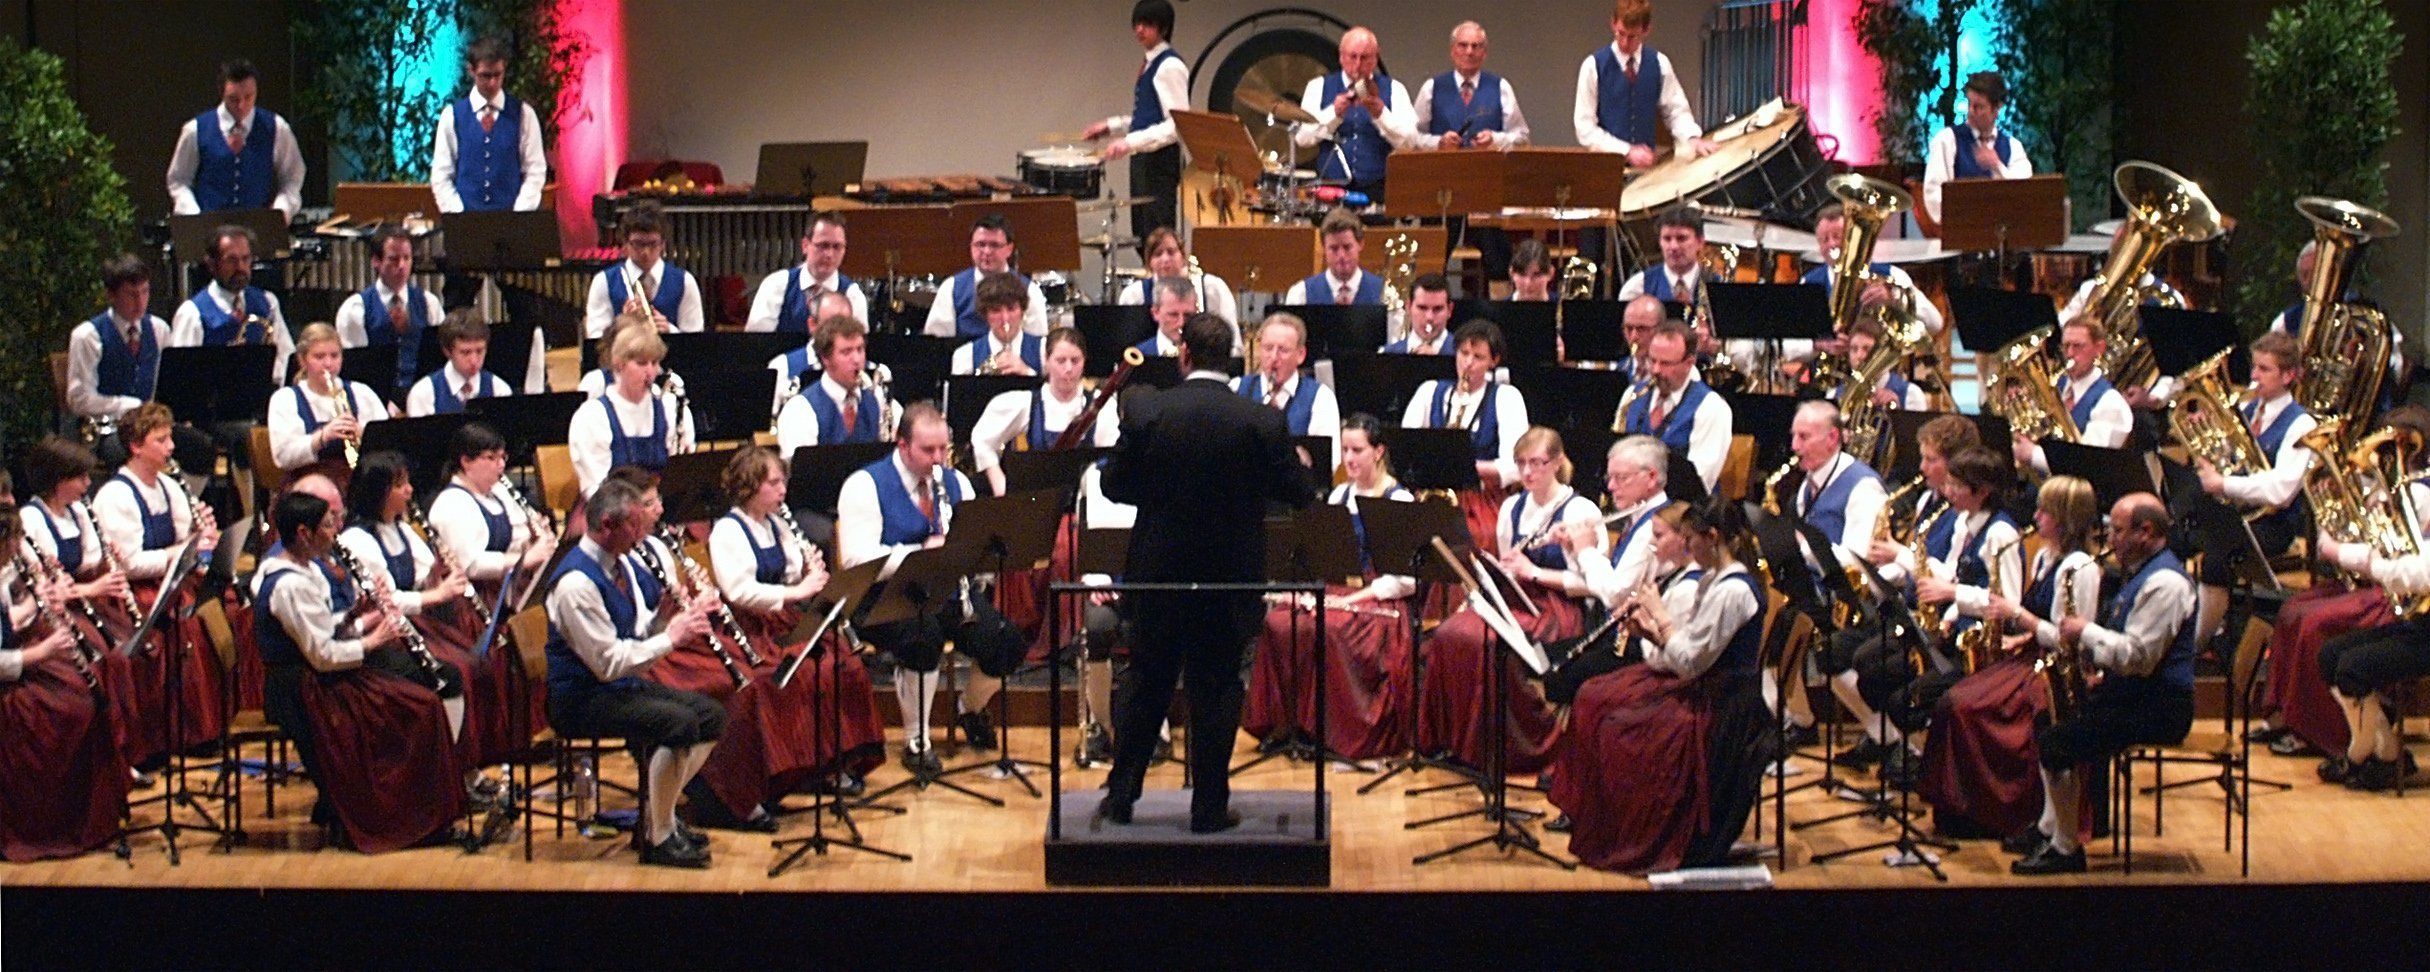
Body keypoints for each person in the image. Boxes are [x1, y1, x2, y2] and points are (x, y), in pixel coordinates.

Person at [1099, 312, 1314, 832]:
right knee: (1217, 688)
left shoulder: (1149, 410)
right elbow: (1300, 493)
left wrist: (1160, 491)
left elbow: (1113, 486)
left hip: (1158, 577)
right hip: (1229, 580)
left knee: (1147, 682)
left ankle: (1122, 796)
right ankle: (1209, 808)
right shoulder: (1261, 421)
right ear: (1233, 358)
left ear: (1184, 354)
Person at [1548, 496, 1774, 872]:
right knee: (1599, 698)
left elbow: (1689, 663)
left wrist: (1658, 619)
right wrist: (1649, 632)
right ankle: (1603, 820)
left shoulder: (1732, 591)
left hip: (1723, 709)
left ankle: (1629, 832)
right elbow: (1688, 654)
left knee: (1620, 725)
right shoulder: (1716, 580)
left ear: (1712, 537)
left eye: (1691, 538)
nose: (1687, 547)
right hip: (1704, 687)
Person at [255, 487, 469, 852]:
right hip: (304, 690)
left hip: (322, 678)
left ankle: (432, 804)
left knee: (422, 698)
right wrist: (373, 640)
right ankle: (409, 816)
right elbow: (323, 655)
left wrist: (361, 617)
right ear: (304, 533)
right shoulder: (289, 584)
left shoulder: (306, 569)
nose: (335, 532)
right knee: (419, 709)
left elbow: (326, 629)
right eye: (327, 526)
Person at [543, 475, 726, 868]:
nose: (641, 536)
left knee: (711, 715)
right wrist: (672, 638)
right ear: (606, 525)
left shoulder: (617, 564)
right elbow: (608, 664)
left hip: (614, 687)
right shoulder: (576, 584)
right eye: (634, 526)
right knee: (678, 725)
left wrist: (664, 619)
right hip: (579, 699)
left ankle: (656, 818)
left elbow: (632, 636)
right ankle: (659, 836)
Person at [2010, 493, 2196, 875]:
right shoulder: (2140, 574)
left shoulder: (2166, 583)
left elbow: (2138, 657)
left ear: (2146, 532)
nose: (2109, 539)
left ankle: (2066, 849)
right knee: (2048, 722)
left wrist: (2085, 632)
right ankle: (2050, 827)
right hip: (2134, 695)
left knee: (2059, 743)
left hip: (2161, 707)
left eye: (2118, 531)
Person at [834, 403, 1027, 772]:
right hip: (884, 597)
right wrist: (919, 554)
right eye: (928, 450)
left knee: (1006, 642)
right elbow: (857, 558)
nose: (939, 459)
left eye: (943, 449)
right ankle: (917, 740)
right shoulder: (864, 485)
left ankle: (969, 709)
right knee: (923, 637)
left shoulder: (957, 483)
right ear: (902, 445)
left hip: (946, 591)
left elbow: (975, 538)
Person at [1919, 474, 2101, 839]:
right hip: (2030, 656)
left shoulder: (2080, 568)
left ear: (2065, 519)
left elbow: (2070, 641)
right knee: (1955, 700)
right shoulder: (2047, 557)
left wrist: (2017, 616)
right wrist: (2019, 638)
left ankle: (2000, 813)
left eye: (2045, 512)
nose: (2035, 517)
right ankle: (1963, 810)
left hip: (2056, 673)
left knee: (1968, 707)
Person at [1414, 426, 1600, 774]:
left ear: (1556, 462)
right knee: (1450, 633)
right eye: (1521, 463)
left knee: (1486, 641)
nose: (1527, 472)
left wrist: (1534, 572)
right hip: (1515, 600)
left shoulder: (1580, 510)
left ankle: (1504, 749)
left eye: (1536, 463)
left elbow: (1592, 585)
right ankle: (1459, 743)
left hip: (1556, 608)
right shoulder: (1513, 506)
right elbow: (1505, 565)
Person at [2253, 405, 2430, 758]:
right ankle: (2294, 720)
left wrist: (2347, 553)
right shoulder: (2389, 487)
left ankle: (2330, 738)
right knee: (2294, 611)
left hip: (2396, 595)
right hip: (2385, 585)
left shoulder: (2421, 494)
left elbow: (2399, 563)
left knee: (2316, 624)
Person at [706, 446, 884, 796]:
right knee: (795, 676)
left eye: (782, 482)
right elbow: (739, 591)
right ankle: (799, 768)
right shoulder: (727, 530)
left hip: (783, 619)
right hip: (748, 626)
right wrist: (799, 589)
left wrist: (807, 571)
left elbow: (791, 574)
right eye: (773, 483)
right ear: (750, 486)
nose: (782, 490)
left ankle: (834, 760)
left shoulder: (776, 523)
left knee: (843, 664)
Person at [338, 454, 519, 787]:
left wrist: (438, 572)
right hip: (387, 631)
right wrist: (437, 595)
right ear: (379, 491)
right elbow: (386, 600)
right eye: (400, 484)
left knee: (476, 663)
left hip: (416, 625)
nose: (409, 490)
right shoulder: (357, 539)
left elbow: (423, 578)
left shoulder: (400, 528)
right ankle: (453, 773)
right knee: (458, 671)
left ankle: (470, 766)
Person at [1245, 414, 1415, 761]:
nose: (1348, 458)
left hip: (1378, 601)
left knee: (1329, 629)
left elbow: (1405, 581)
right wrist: (1310, 591)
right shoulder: (1340, 495)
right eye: (1345, 450)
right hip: (1338, 594)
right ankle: (1290, 724)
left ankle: (1330, 733)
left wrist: (1353, 598)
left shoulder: (1399, 501)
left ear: (1378, 452)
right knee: (1279, 622)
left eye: (1357, 450)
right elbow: (1321, 558)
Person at [1, 464, 133, 861]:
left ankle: (94, 810)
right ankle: (56, 822)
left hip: (19, 657)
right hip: (13, 670)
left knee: (90, 688)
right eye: (12, 545)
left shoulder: (6, 567)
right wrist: (41, 650)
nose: (15, 553)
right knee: (71, 707)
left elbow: (9, 619)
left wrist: (40, 599)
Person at [90, 403, 224, 767]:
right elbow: (131, 564)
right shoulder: (115, 496)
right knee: (179, 625)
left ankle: (203, 726)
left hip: (169, 579)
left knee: (219, 606)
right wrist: (181, 551)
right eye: (161, 440)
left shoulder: (168, 485)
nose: (171, 447)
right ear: (136, 446)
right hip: (135, 589)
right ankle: (162, 736)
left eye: (169, 438)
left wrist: (202, 539)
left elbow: (185, 540)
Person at [2187, 332, 2313, 650]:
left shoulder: (2301, 425)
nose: (2254, 376)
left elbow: (2282, 490)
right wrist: (2205, 433)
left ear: (2288, 376)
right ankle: (2176, 625)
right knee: (2174, 533)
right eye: (2254, 367)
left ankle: (2198, 644)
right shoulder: (2247, 409)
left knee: (2216, 558)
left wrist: (2223, 484)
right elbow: (2225, 458)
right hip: (2234, 511)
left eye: (2264, 369)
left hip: (2272, 524)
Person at [1538, 436, 1679, 708]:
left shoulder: (1654, 526)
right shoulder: (1638, 517)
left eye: (1620, 478)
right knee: (1537, 657)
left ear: (1651, 477)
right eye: (1610, 477)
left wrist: (1586, 551)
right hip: (1614, 634)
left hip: (1638, 645)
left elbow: (1614, 594)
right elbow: (1605, 583)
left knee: (1557, 676)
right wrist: (1574, 548)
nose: (1611, 487)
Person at [2313, 522, 2430, 792]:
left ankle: (2360, 753)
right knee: (2331, 654)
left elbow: (2420, 575)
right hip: (2421, 623)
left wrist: (2374, 564)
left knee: (2353, 669)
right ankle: (2387, 753)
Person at [1410, 21, 1528, 281]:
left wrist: (1495, 140)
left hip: (1486, 189)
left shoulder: (1501, 87)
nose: (1469, 51)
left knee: (1497, 261)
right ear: (1453, 50)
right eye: (1463, 45)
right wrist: (1438, 143)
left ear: (1484, 52)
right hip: (1441, 190)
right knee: (1433, 261)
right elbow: (1411, 138)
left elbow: (1522, 137)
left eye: (1476, 46)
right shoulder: (1432, 88)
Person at [1402, 320, 1531, 551]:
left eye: (1478, 357)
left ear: (1494, 361)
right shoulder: (1429, 391)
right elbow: (1405, 447)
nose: (1468, 363)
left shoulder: (1506, 397)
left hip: (1481, 501)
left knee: (1475, 537)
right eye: (1463, 353)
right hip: (1431, 495)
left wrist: (1466, 467)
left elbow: (1516, 466)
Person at [1081, 0, 1189, 240]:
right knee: (1141, 233)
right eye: (1137, 23)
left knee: (1158, 235)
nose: (1139, 29)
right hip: (1144, 160)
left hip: (1159, 163)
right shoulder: (1151, 63)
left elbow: (1177, 126)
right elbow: (1149, 119)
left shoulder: (1170, 66)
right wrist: (1111, 126)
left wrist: (1129, 142)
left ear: (1163, 27)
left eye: (1147, 24)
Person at [971, 328, 1121, 497]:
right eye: (1061, 361)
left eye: (1075, 360)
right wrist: (1000, 485)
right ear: (1047, 361)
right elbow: (982, 439)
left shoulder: (1102, 405)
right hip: (1039, 502)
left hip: (1086, 502)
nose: (1068, 368)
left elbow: (1111, 456)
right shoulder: (1025, 403)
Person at [1574, 0, 1717, 167]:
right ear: (1613, 23)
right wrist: (1627, 151)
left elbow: (1676, 110)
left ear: (1646, 30)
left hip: (1646, 171)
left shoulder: (1660, 63)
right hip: (1607, 170)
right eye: (1620, 33)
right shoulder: (1593, 66)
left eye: (1632, 36)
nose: (1625, 43)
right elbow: (1584, 128)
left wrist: (1692, 138)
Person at [166, 58, 304, 218]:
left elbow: (292, 177)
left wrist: (282, 210)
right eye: (233, 99)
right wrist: (194, 215)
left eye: (249, 97)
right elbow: (179, 180)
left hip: (258, 226)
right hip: (209, 226)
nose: (241, 105)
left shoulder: (277, 127)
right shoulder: (195, 130)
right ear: (222, 94)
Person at [65, 254, 172, 458]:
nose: (140, 302)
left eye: (145, 292)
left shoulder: (159, 329)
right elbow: (79, 399)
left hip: (151, 425)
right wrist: (128, 405)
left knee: (200, 448)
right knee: (130, 452)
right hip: (108, 428)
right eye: (131, 295)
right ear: (111, 295)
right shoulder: (88, 335)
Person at [1293, 27, 1420, 199]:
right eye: (1353, 56)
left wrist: (1381, 114)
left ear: (1375, 58)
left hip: (1378, 189)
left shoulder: (1395, 89)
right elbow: (1302, 139)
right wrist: (1334, 114)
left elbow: (1410, 143)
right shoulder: (1318, 86)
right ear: (1341, 56)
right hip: (1330, 190)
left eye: (1365, 57)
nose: (1358, 65)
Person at [567, 327, 695, 496]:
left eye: (654, 363)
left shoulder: (669, 407)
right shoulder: (592, 416)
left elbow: (679, 473)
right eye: (641, 363)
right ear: (619, 364)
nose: (650, 371)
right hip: (611, 508)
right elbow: (596, 490)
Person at [428, 37, 547, 214]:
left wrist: (519, 213)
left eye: (498, 75)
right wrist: (458, 214)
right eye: (485, 76)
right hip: (464, 219)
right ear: (471, 70)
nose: (492, 83)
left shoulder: (524, 114)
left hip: (512, 218)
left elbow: (535, 169)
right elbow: (441, 174)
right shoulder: (452, 116)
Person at [1613, 322, 1731, 492]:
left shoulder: (1712, 408)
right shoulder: (1632, 395)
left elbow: (1699, 482)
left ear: (1689, 363)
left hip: (1682, 506)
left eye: (1665, 363)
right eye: (1652, 360)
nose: (1655, 370)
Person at [169, 224, 296, 382]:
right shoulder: (192, 313)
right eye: (231, 260)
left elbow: (286, 356)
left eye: (245, 258)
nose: (240, 267)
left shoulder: (268, 302)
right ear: (211, 264)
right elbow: (182, 375)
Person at [2012, 316, 2133, 476]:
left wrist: (2033, 454)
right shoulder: (2055, 386)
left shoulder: (2111, 404)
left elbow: (2090, 465)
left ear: (2099, 348)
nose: (2069, 354)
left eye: (2078, 346)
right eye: (2066, 346)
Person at [1804, 202, 1946, 336]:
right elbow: (1792, 343)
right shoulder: (1809, 282)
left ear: (1852, 238)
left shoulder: (1892, 275)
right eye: (1824, 240)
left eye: (1837, 237)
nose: (1832, 245)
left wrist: (1893, 299)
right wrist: (1820, 343)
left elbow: (1935, 324)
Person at [266, 324, 388, 475]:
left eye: (335, 356)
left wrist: (364, 433)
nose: (328, 364)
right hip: (308, 479)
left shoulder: (361, 392)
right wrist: (322, 437)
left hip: (360, 475)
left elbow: (388, 440)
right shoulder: (285, 399)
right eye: (319, 357)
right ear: (302, 360)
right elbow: (283, 457)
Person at [334, 227, 447, 390]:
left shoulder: (429, 303)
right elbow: (356, 370)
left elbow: (440, 358)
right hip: (376, 396)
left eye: (406, 258)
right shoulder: (355, 309)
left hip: (422, 393)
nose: (401, 265)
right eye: (393, 259)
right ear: (376, 261)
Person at [1921, 72, 2033, 226]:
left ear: (1997, 108)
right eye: (1969, 104)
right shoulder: (1947, 140)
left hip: (2004, 235)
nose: (1971, 111)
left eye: (1979, 107)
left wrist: (1997, 166)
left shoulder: (2013, 146)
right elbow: (1934, 193)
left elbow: (2024, 193)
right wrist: (1968, 214)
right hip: (1960, 233)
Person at [1236, 313, 1342, 472]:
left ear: (1300, 355)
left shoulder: (1320, 397)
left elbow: (1328, 462)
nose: (1273, 357)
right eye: (1268, 348)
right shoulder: (1236, 388)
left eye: (1283, 350)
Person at [774, 313, 893, 455]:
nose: (857, 359)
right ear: (825, 358)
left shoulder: (874, 399)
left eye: (860, 349)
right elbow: (801, 466)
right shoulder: (800, 409)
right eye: (846, 352)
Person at [584, 202, 705, 338]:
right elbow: (596, 339)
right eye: (638, 244)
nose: (645, 252)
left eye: (653, 244)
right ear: (625, 243)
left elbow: (695, 339)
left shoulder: (685, 282)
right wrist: (621, 326)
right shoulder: (603, 281)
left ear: (663, 244)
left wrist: (670, 330)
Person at [925, 214, 1050, 340]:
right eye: (980, 244)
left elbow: (1037, 343)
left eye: (994, 245)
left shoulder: (1030, 291)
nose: (987, 252)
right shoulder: (951, 288)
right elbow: (937, 342)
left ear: (1009, 249)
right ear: (971, 247)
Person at [747, 212, 869, 333]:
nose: (829, 254)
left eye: (837, 247)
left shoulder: (852, 295)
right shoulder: (776, 285)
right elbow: (757, 340)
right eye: (823, 245)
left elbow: (858, 343)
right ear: (805, 245)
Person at [1116, 228, 1241, 328]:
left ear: (1183, 256)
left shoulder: (1213, 287)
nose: (1165, 259)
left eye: (1171, 252)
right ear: (1149, 262)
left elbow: (1233, 341)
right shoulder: (1134, 295)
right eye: (1158, 254)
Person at [403, 311, 514, 417]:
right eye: (466, 352)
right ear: (447, 351)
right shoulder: (423, 394)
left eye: (479, 351)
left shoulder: (500, 390)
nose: (474, 360)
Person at [765, 290, 858, 416]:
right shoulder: (782, 368)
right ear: (812, 325)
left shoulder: (871, 374)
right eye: (831, 325)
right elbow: (769, 423)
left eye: (846, 325)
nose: (840, 333)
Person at [950, 272, 1046, 376]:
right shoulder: (965, 355)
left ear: (1022, 311)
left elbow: (1053, 386)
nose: (1005, 319)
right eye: (996, 310)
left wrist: (1027, 372)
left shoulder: (1044, 350)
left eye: (1011, 309)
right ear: (985, 314)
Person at [1283, 209, 1385, 306]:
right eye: (1334, 248)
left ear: (1360, 244)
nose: (1341, 255)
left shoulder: (1384, 293)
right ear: (1324, 248)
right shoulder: (1301, 295)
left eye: (1347, 247)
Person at [1616, 208, 1709, 306]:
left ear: (1700, 242)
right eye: (1667, 239)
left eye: (1681, 238)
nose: (1673, 247)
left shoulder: (1716, 285)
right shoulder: (1637, 289)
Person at [1836, 317, 1929, 411]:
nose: (1859, 356)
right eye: (1854, 349)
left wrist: (1897, 411)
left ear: (1881, 353)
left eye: (1867, 349)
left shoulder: (1911, 394)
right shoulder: (1835, 394)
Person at [1131, 277, 1207, 358]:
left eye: (1188, 315)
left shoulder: (1208, 354)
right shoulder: (1137, 357)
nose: (1181, 323)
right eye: (1173, 315)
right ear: (1155, 312)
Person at [1381, 273, 1454, 355]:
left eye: (1438, 309)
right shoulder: (1388, 354)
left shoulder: (1462, 353)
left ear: (1449, 310)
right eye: (1422, 308)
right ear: (1408, 307)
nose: (1429, 317)